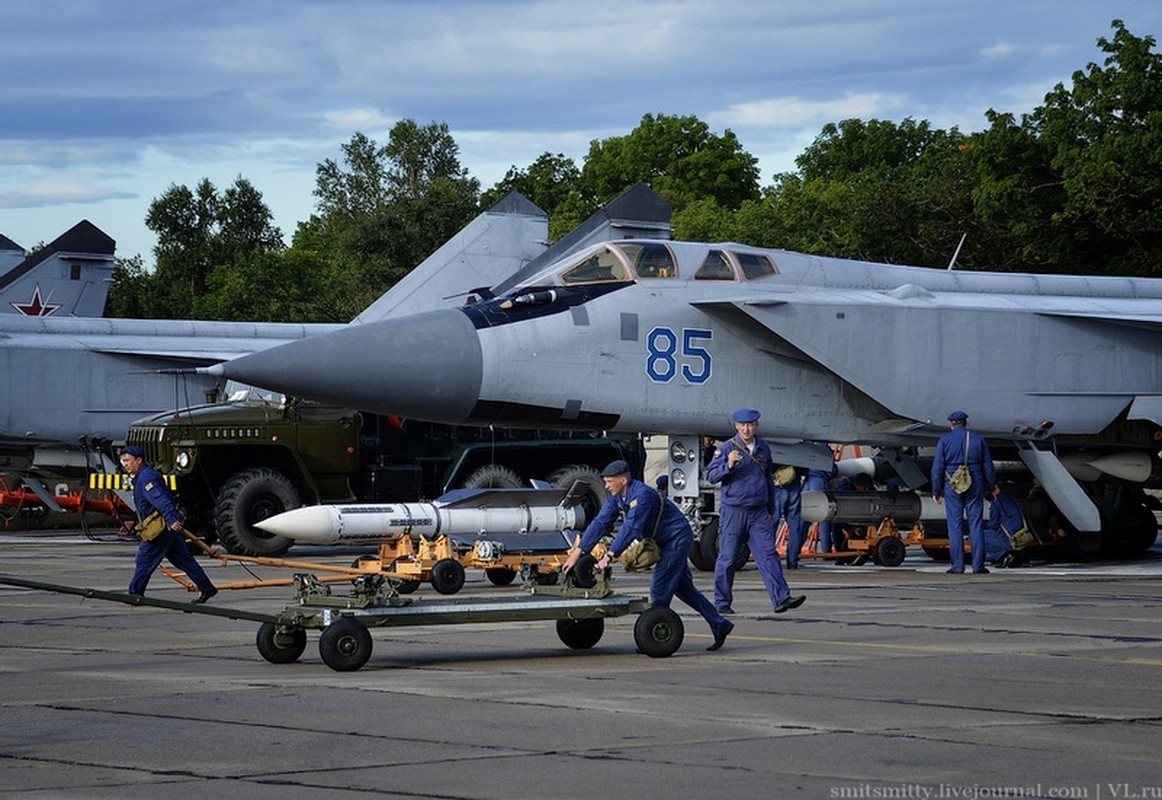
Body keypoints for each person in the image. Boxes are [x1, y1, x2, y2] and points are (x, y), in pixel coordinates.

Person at [562, 460, 734, 651]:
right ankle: (719, 624)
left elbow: (631, 528)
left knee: (660, 588)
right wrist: (578, 552)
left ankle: (654, 636)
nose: (606, 486)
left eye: (610, 481)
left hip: (676, 540)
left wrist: (609, 556)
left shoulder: (642, 496)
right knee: (684, 589)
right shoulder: (616, 497)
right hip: (664, 541)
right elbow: (601, 522)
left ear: (623, 480)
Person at [705, 408, 806, 615]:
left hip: (758, 512)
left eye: (750, 425)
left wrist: (771, 508)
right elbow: (712, 476)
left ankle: (781, 598)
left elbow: (767, 478)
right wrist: (728, 465)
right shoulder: (726, 449)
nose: (746, 429)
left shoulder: (763, 448)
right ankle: (722, 602)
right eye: (742, 425)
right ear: (736, 426)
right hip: (734, 511)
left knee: (768, 554)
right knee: (728, 558)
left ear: (756, 426)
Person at [120, 445, 218, 603]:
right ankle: (206, 588)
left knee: (144, 560)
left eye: (127, 461)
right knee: (184, 560)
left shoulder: (146, 478)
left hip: (160, 528)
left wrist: (171, 519)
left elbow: (162, 500)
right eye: (123, 461)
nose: (125, 464)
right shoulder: (143, 475)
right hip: (167, 528)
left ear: (139, 460)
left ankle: (134, 594)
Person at [931, 410, 997, 574]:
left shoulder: (944, 441)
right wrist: (992, 487)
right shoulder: (978, 439)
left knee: (955, 526)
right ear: (966, 423)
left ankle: (957, 566)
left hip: (952, 484)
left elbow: (937, 468)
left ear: (951, 424)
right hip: (974, 483)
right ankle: (978, 566)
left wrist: (936, 490)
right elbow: (988, 466)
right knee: (976, 525)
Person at [985, 481, 1030, 567]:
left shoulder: (998, 501)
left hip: (1010, 538)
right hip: (1019, 536)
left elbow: (993, 523)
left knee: (977, 536)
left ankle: (1004, 555)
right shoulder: (1009, 498)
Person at [775, 465, 804, 568]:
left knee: (772, 525)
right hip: (794, 482)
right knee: (795, 527)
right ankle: (792, 561)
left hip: (777, 484)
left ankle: (769, 561)